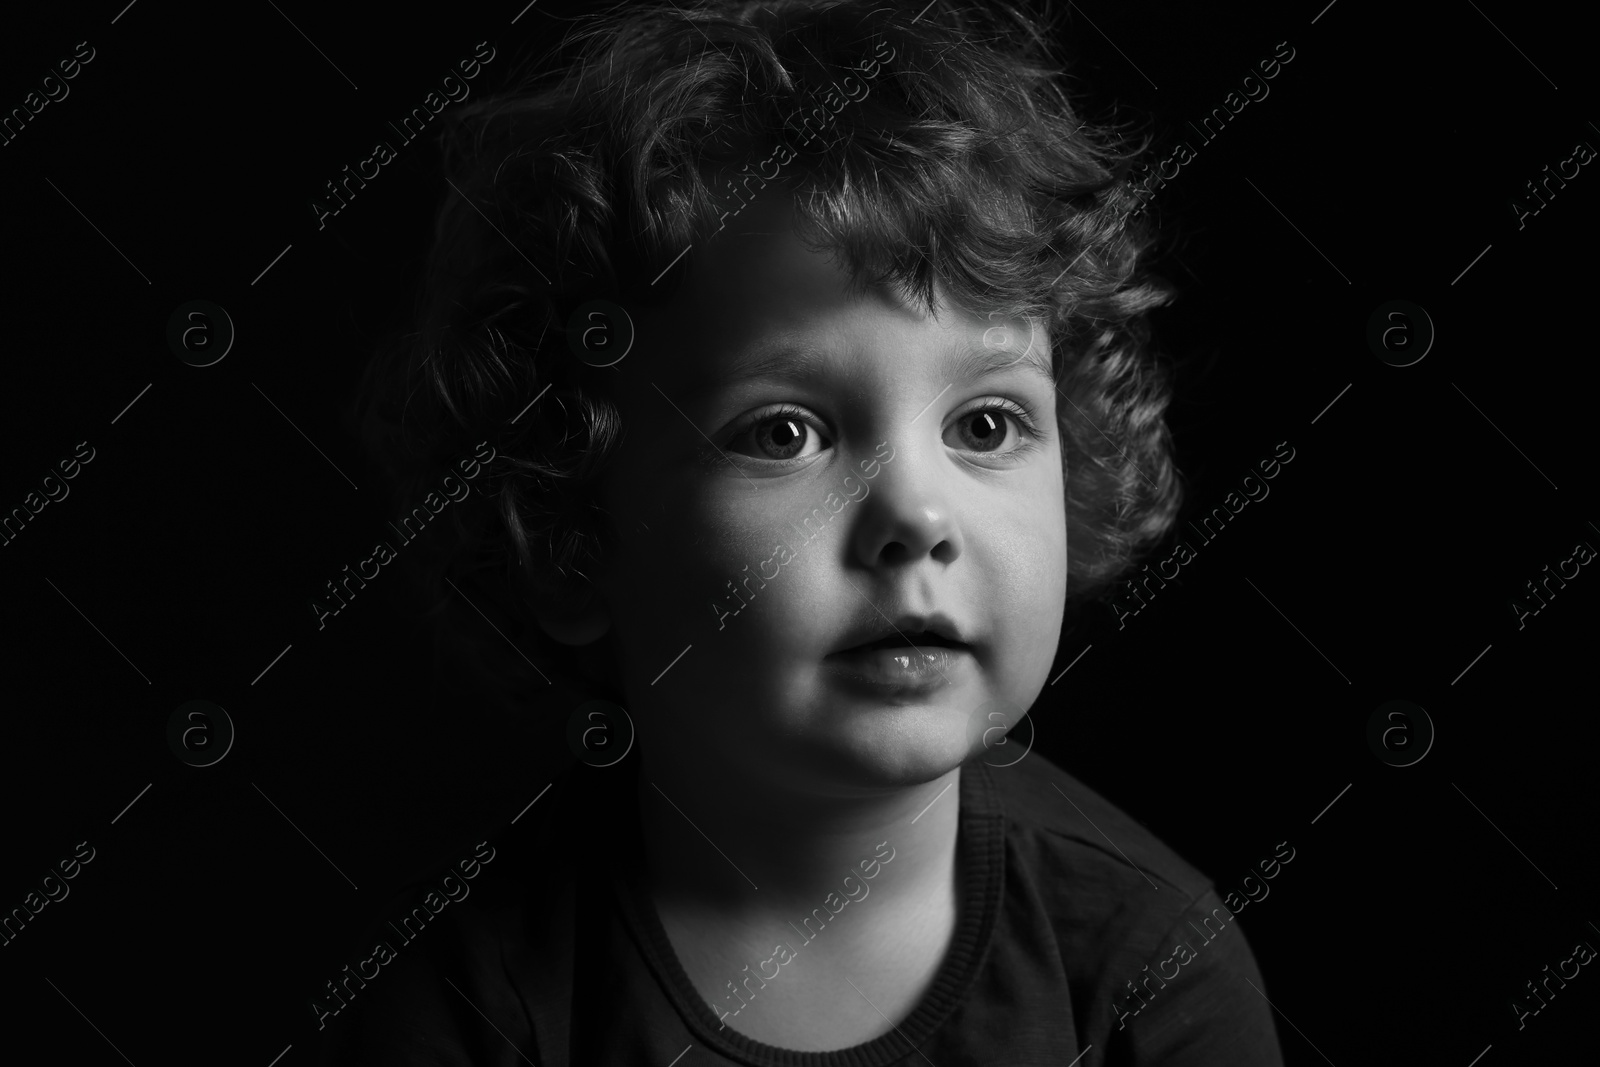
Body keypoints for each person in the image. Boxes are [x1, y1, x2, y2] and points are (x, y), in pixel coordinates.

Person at [321, 0, 1285, 1062]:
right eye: (783, 432)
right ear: (571, 534)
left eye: (986, 422)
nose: (915, 516)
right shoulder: (472, 992)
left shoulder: (1147, 971)